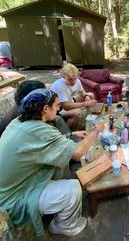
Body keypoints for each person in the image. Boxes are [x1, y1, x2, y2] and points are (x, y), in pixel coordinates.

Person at [0, 88, 104, 237]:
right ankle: (63, 226)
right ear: (45, 108)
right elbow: (77, 154)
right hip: (15, 198)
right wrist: (96, 131)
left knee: (58, 165)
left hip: (10, 186)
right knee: (73, 188)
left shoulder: (19, 122)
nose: (59, 108)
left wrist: (70, 134)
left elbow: (45, 142)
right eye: (57, 106)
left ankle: (55, 204)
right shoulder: (39, 130)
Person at [0, 80, 70, 136]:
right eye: (43, 93)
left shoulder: (24, 107)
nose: (45, 95)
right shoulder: (25, 114)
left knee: (57, 119)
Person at [51, 63, 97, 130]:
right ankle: (71, 132)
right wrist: (85, 103)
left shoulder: (77, 81)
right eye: (70, 79)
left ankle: (89, 119)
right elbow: (66, 107)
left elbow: (82, 92)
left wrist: (86, 96)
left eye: (75, 78)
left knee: (90, 95)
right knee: (77, 112)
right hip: (58, 110)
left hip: (69, 100)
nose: (73, 82)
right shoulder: (58, 86)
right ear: (63, 77)